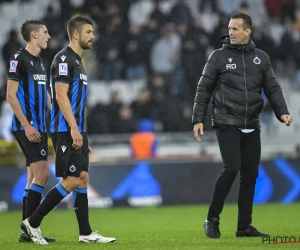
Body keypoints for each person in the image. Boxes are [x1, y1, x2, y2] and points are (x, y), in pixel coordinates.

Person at [192, 13, 293, 239]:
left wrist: (282, 112)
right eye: (230, 28)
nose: (231, 32)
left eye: (236, 28)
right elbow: (204, 88)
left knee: (250, 176)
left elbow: (273, 88)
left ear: (248, 31)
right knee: (232, 168)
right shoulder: (218, 57)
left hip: (251, 123)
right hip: (227, 121)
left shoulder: (261, 58)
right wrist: (198, 118)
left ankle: (244, 227)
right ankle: (212, 219)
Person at [20, 16, 116, 245]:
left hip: (76, 129)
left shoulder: (78, 62)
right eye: (88, 32)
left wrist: (81, 133)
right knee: (72, 179)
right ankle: (32, 223)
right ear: (76, 34)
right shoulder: (64, 59)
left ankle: (85, 233)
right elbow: (60, 96)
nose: (93, 36)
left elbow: (75, 101)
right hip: (65, 128)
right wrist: (73, 128)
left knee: (82, 178)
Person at [6, 20, 55, 243]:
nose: (49, 36)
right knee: (43, 174)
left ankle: (28, 232)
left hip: (40, 126)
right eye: (45, 32)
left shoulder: (41, 62)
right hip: (28, 126)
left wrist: (53, 111)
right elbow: (10, 95)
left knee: (32, 177)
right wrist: (26, 125)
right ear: (34, 35)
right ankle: (32, 226)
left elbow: (44, 95)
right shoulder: (18, 59)